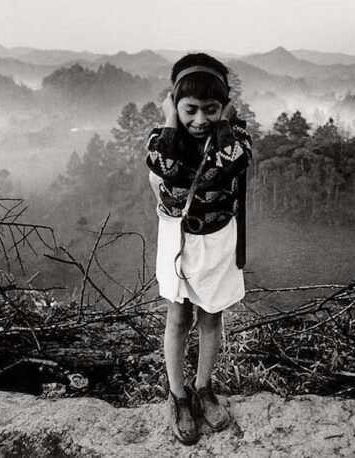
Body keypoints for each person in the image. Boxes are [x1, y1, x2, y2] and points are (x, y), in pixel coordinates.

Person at [146, 52, 252, 445]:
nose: (200, 120)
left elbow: (233, 162)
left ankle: (203, 387)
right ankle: (178, 396)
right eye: (190, 109)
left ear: (224, 108)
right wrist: (170, 120)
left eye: (211, 109)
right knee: (178, 317)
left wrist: (224, 122)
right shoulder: (162, 139)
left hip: (219, 238)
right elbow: (165, 166)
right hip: (179, 239)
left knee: (211, 316)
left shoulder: (234, 137)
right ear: (175, 104)